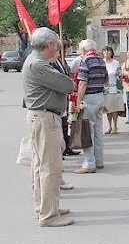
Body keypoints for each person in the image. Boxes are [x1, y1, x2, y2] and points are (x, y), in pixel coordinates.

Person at [23, 27, 75, 227]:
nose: (58, 48)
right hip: (44, 118)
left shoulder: (37, 62)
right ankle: (48, 215)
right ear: (50, 44)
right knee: (49, 168)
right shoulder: (39, 65)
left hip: (42, 116)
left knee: (40, 166)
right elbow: (68, 85)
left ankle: (45, 207)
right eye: (56, 44)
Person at [73, 39, 108, 174]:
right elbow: (106, 80)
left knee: (86, 131)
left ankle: (89, 163)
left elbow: (82, 83)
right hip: (99, 96)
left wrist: (78, 102)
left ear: (83, 50)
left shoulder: (85, 61)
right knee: (98, 131)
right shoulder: (101, 60)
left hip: (89, 98)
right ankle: (99, 161)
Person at [102, 46, 125, 134]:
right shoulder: (102, 63)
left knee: (115, 108)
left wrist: (121, 87)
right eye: (105, 52)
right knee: (108, 109)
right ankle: (109, 126)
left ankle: (115, 126)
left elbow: (119, 75)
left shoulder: (116, 63)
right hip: (106, 89)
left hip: (115, 88)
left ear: (111, 53)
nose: (106, 53)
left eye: (108, 52)